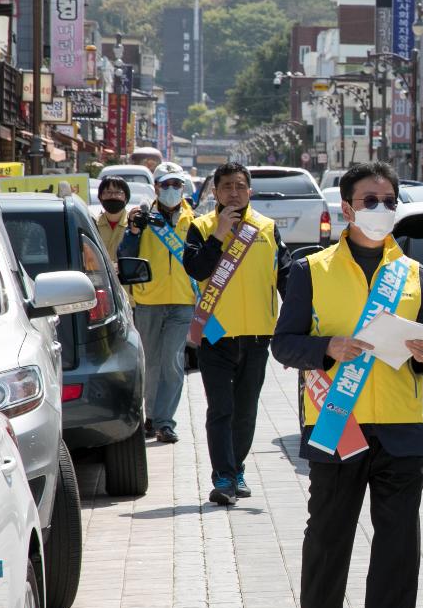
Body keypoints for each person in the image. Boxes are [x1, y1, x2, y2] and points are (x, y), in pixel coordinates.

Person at [272, 161, 423, 608]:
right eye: (370, 200)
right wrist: (328, 346)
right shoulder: (310, 270)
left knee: (398, 542)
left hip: (399, 425)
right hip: (336, 421)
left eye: (389, 200)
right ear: (345, 208)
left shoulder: (415, 274)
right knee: (328, 533)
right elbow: (283, 343)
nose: (381, 209)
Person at [183, 162, 291, 505]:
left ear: (250, 191)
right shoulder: (200, 227)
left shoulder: (267, 228)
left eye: (240, 186)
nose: (234, 192)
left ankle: (238, 467)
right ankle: (224, 478)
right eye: (227, 186)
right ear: (215, 192)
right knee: (221, 408)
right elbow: (196, 268)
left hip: (258, 334)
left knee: (246, 410)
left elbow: (285, 276)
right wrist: (218, 235)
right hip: (216, 334)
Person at [119, 162, 198, 444]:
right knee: (151, 363)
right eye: (166, 185)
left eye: (177, 185)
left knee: (173, 362)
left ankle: (165, 421)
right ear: (156, 188)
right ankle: (150, 416)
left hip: (183, 302)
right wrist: (134, 232)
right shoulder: (142, 218)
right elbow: (125, 255)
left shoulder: (195, 221)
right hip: (149, 300)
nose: (172, 190)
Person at [95, 176, 131, 266]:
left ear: (126, 197)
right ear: (100, 197)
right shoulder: (93, 225)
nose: (113, 196)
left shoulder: (134, 225)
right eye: (108, 192)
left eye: (118, 192)